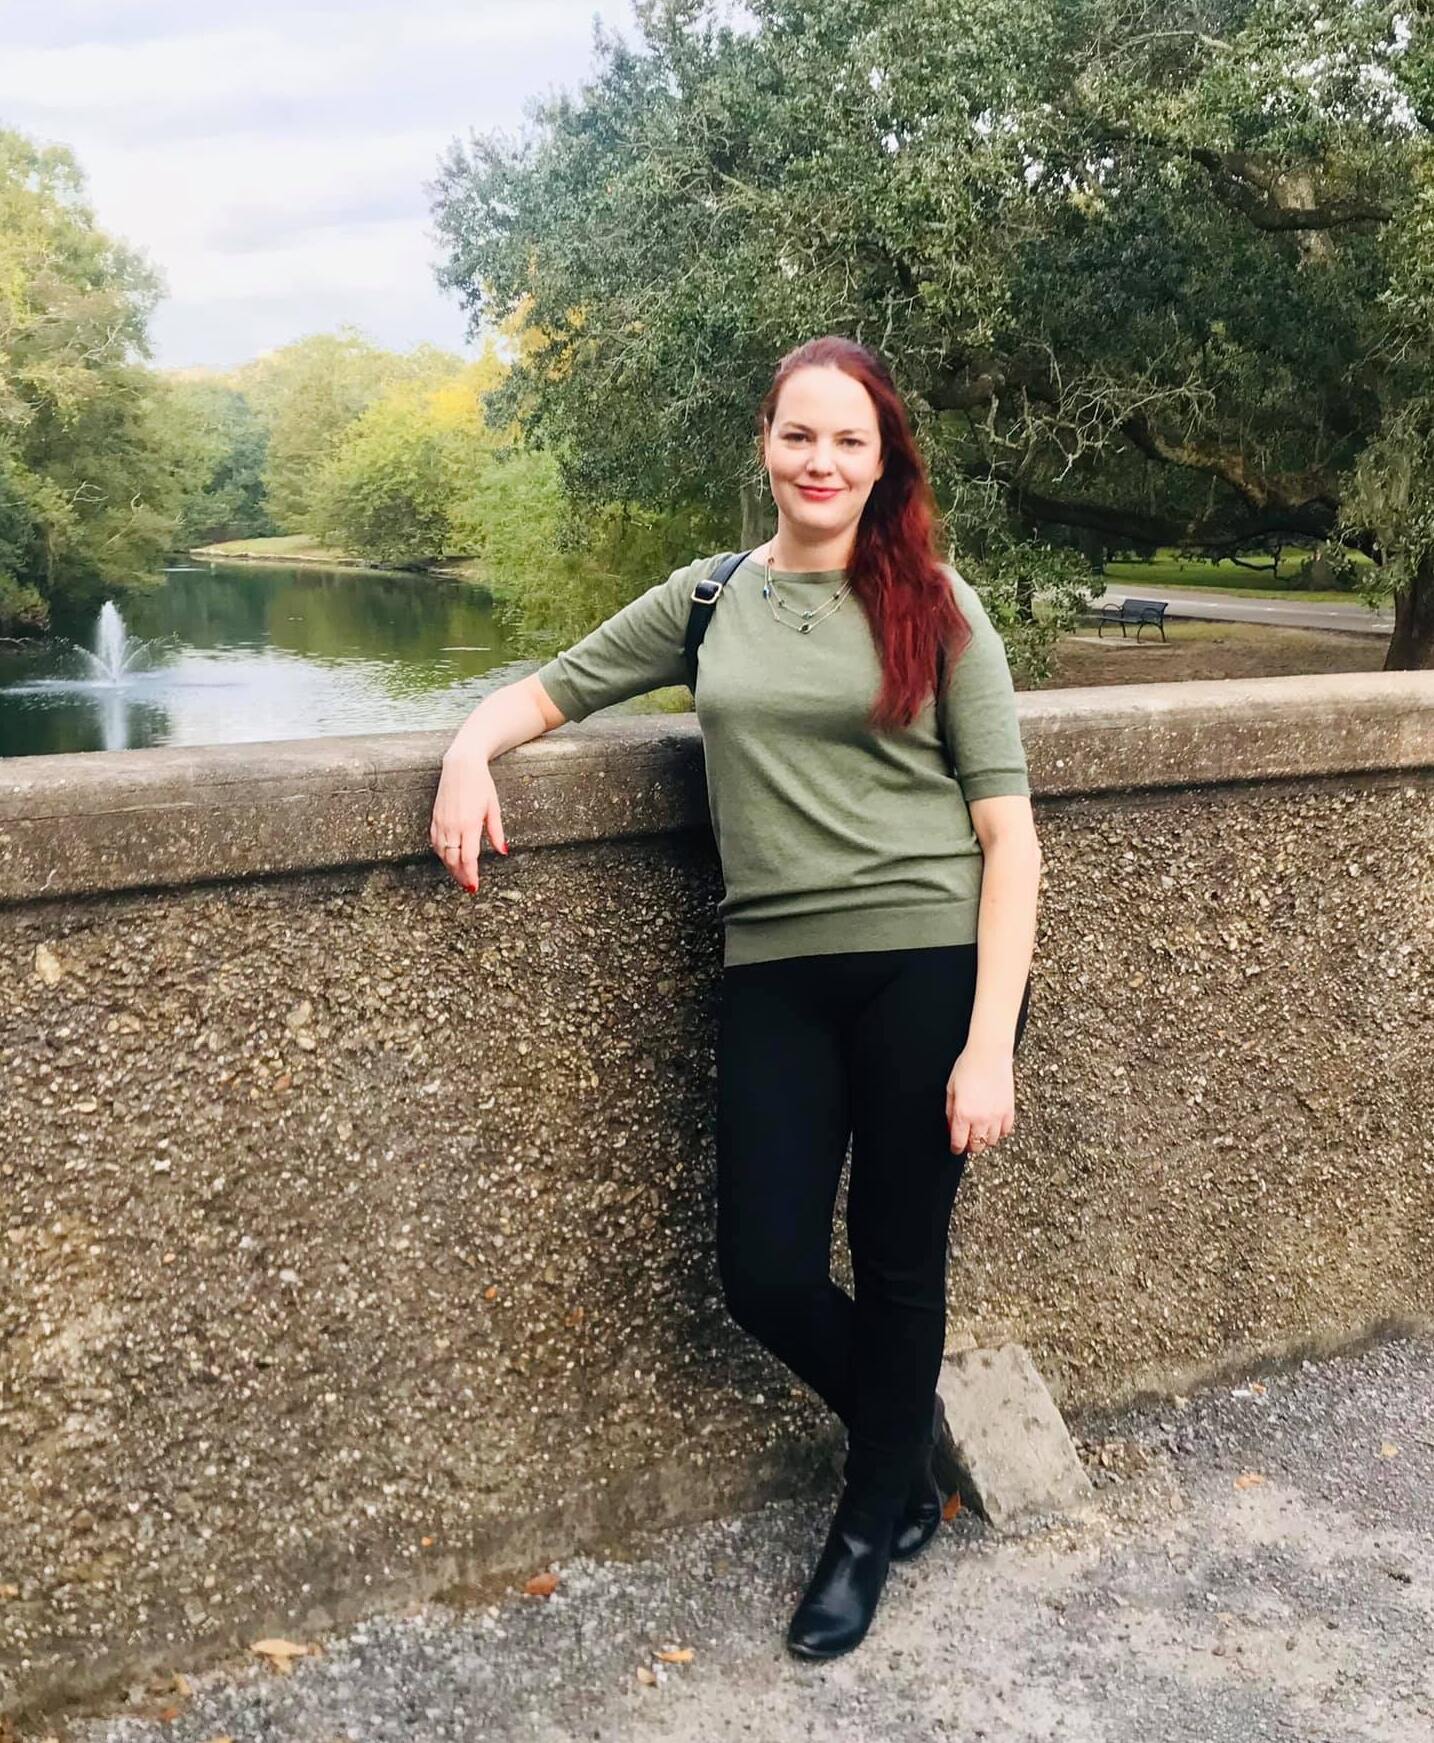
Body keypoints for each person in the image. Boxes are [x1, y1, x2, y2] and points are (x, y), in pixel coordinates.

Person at [431, 334, 1041, 1662]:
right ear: (763, 445)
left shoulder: (935, 608)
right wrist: (469, 750)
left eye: (848, 442)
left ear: (884, 464)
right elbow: (550, 690)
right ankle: (904, 1443)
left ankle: (866, 1519)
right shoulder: (708, 603)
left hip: (927, 966)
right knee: (761, 1272)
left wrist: (987, 1045)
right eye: (797, 436)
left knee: (894, 1261)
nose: (819, 462)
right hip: (773, 968)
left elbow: (1009, 838)